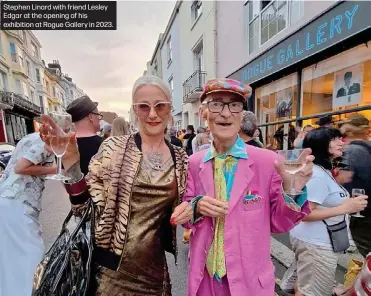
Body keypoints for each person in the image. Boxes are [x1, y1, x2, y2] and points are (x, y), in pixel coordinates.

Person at [40, 75, 190, 296]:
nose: (152, 114)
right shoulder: (113, 149)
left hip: (155, 273)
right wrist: (71, 164)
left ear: (170, 107)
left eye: (160, 105)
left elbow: (191, 202)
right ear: (134, 110)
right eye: (143, 106)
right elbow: (83, 209)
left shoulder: (180, 157)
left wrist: (190, 208)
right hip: (111, 274)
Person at [172, 78, 314, 296]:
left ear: (241, 114)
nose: (226, 113)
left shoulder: (267, 161)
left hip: (249, 283)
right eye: (216, 104)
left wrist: (292, 191)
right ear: (204, 113)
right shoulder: (194, 163)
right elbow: (187, 209)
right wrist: (196, 207)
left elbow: (279, 223)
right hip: (204, 281)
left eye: (234, 105)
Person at [289, 127, 368, 296]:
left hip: (315, 242)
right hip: (316, 244)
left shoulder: (323, 171)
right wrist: (345, 208)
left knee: (306, 285)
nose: (341, 142)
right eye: (335, 139)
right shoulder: (317, 175)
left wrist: (346, 203)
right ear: (322, 145)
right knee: (314, 291)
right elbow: (305, 214)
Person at [0, 132, 56, 296]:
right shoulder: (48, 140)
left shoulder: (30, 137)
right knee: (30, 258)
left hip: (7, 199)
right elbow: (21, 167)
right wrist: (57, 169)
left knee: (10, 262)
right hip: (18, 203)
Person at [341, 114, 371, 257]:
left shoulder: (351, 151)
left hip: (361, 211)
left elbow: (341, 178)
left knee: (367, 253)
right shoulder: (367, 148)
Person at [66, 95, 103, 175]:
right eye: (98, 115)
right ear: (91, 117)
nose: (99, 119)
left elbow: (67, 181)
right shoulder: (104, 145)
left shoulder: (66, 146)